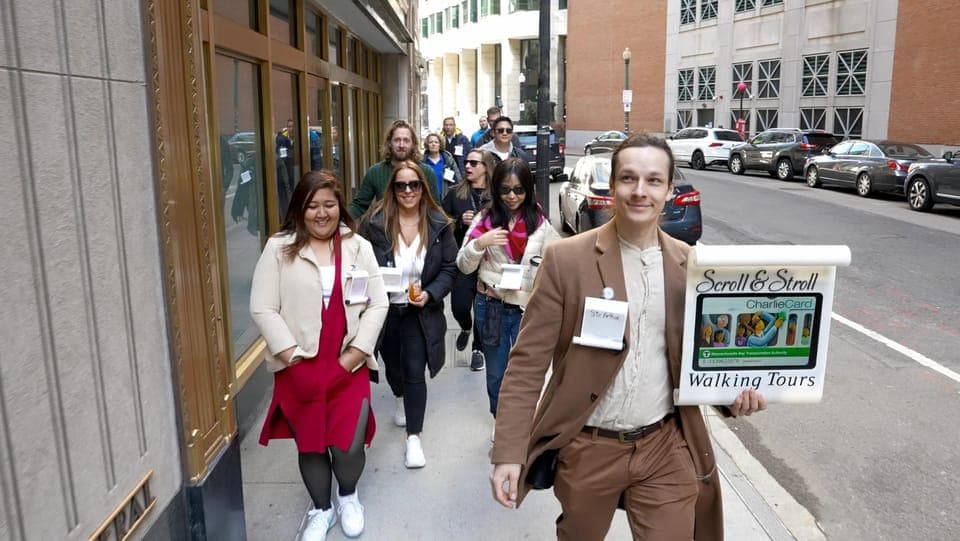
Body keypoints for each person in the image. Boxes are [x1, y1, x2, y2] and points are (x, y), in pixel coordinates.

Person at [489, 134, 766, 540]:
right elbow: (527, 364)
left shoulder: (691, 266)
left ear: (670, 189)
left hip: (664, 446)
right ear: (612, 185)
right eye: (629, 178)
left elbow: (706, 356)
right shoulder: (566, 261)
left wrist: (733, 395)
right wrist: (509, 453)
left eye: (654, 181)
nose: (640, 191)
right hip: (588, 447)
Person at [251, 170, 389, 541]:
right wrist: (290, 353)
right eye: (312, 206)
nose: (321, 213)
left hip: (348, 363)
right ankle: (321, 509)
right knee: (310, 444)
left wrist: (358, 351)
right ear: (300, 209)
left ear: (339, 206)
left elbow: (378, 303)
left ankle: (348, 497)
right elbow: (263, 307)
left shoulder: (359, 247)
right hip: (300, 367)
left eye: (329, 204)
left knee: (348, 446)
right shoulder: (279, 248)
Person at [358, 161, 457, 469]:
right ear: (392, 189)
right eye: (401, 185)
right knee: (394, 369)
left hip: (419, 312)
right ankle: (398, 396)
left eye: (414, 184)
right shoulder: (375, 223)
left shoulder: (438, 223)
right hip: (385, 312)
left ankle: (414, 438)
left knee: (415, 370)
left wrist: (431, 293)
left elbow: (449, 268)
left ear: (422, 187)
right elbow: (360, 265)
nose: (408, 191)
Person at [457, 157, 559, 435]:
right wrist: (480, 243)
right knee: (496, 374)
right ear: (496, 190)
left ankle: (524, 424)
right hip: (492, 307)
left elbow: (560, 260)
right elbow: (463, 264)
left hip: (528, 308)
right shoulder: (485, 220)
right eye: (505, 190)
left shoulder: (539, 222)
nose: (512, 196)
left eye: (518, 190)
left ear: (528, 190)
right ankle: (501, 423)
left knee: (528, 373)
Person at [442, 148, 497, 372]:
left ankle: (478, 350)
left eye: (474, 163)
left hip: (488, 261)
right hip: (463, 260)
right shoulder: (456, 193)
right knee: (460, 306)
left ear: (486, 166)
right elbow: (441, 222)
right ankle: (465, 327)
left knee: (483, 309)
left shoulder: (497, 194)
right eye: (466, 162)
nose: (467, 166)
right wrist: (457, 220)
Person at [348, 120, 439, 218]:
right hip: (385, 230)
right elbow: (359, 205)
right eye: (397, 140)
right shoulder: (375, 172)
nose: (401, 145)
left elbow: (435, 207)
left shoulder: (426, 172)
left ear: (413, 144)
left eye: (406, 140)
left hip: (418, 230)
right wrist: (340, 220)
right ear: (389, 143)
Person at [423, 133, 461, 197]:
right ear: (427, 145)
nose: (433, 144)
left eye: (436, 142)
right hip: (428, 198)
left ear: (440, 144)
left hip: (446, 197)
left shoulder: (448, 159)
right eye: (430, 142)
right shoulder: (423, 161)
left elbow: (458, 177)